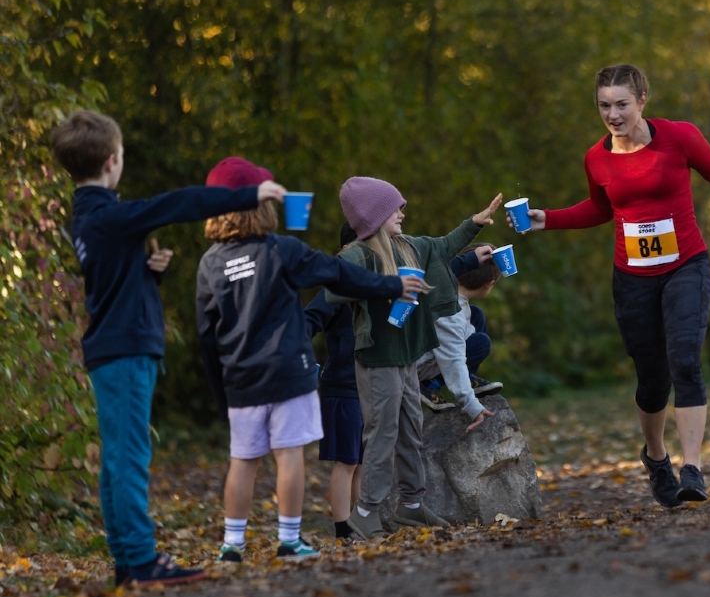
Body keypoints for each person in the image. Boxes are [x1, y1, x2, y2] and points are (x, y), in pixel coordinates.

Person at [513, 64, 710, 507]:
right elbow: (601, 209)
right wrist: (549, 219)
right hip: (633, 279)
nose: (613, 115)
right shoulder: (596, 158)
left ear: (642, 100)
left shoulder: (679, 137)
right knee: (652, 379)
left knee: (685, 362)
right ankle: (656, 457)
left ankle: (692, 469)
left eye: (621, 104)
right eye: (604, 106)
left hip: (686, 266)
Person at [50, 111, 286, 587]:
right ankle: (138, 560)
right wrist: (248, 194)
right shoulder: (111, 216)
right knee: (129, 457)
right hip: (124, 352)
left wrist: (147, 273)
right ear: (113, 160)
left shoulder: (88, 219)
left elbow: (106, 288)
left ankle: (127, 559)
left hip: (113, 348)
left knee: (119, 457)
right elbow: (177, 203)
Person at [197, 159, 423, 563]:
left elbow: (207, 334)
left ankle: (231, 546)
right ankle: (289, 540)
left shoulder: (211, 263)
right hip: (289, 371)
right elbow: (337, 273)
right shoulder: (281, 250)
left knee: (243, 460)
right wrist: (390, 283)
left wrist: (219, 397)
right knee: (289, 457)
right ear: (264, 204)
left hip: (240, 377)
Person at [328, 177, 503, 538]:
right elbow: (334, 288)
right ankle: (365, 513)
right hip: (379, 360)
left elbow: (443, 246)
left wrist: (474, 224)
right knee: (383, 434)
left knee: (410, 430)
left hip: (407, 358)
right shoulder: (359, 254)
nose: (402, 213)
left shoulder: (408, 246)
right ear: (374, 215)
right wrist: (386, 286)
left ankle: (411, 505)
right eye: (395, 208)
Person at [303, 222, 366, 543]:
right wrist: (304, 363)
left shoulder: (372, 284)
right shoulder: (337, 286)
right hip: (341, 386)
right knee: (346, 461)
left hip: (368, 385)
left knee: (360, 462)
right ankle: (343, 530)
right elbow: (307, 321)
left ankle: (357, 525)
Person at [417, 243, 503, 428]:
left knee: (476, 314)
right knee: (481, 343)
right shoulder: (451, 312)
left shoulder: (449, 291)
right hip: (418, 367)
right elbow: (453, 359)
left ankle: (469, 376)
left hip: (430, 351)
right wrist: (472, 406)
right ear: (489, 285)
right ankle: (429, 385)